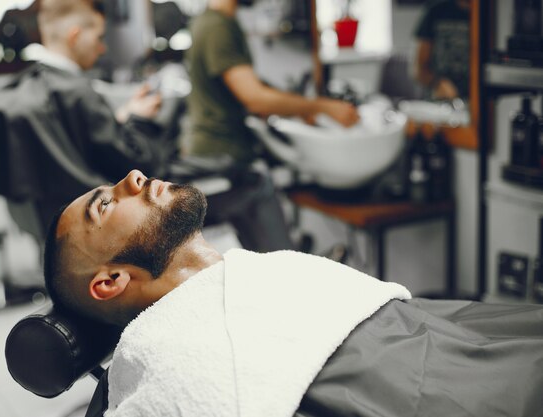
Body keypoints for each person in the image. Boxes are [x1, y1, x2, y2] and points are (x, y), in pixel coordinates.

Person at [44, 169, 543, 417]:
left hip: (464, 336)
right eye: (105, 205)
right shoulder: (170, 353)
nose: (133, 177)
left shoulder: (260, 271)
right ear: (108, 282)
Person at [0, 0, 296, 252]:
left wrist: (121, 117)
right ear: (75, 35)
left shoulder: (28, 86)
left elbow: (83, 148)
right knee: (255, 180)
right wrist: (143, 119)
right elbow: (141, 165)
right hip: (119, 221)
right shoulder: (76, 92)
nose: (103, 46)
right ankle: (288, 275)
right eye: (99, 36)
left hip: (70, 219)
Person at [186, 0, 360, 165]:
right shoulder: (217, 27)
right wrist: (322, 107)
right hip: (219, 153)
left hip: (222, 150)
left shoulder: (216, 21)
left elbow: (249, 86)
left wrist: (301, 109)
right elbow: (255, 99)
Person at [414, 0, 471, 100]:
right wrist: (438, 83)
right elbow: (419, 68)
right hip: (439, 100)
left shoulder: (487, 13)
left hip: (476, 101)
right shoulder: (436, 11)